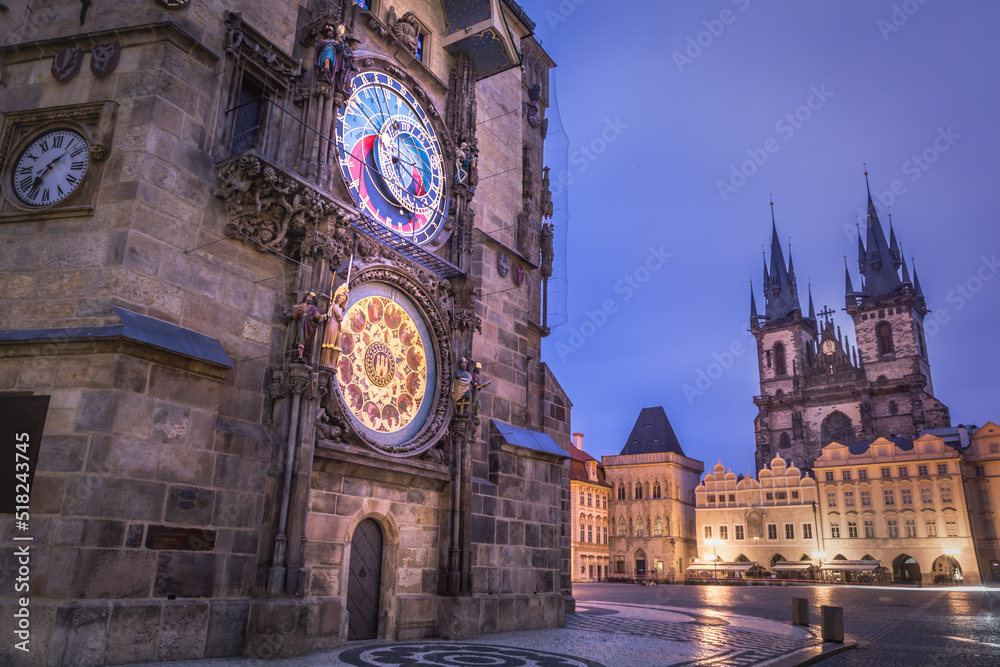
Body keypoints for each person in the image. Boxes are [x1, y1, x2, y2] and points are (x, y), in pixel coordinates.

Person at [292, 291, 327, 362]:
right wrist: (298, 311)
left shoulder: (313, 308)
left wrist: (322, 316)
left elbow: (316, 315)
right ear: (306, 297)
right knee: (300, 338)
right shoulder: (301, 306)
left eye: (312, 298)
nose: (310, 299)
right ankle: (300, 354)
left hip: (308, 326)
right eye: (309, 297)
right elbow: (294, 316)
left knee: (307, 340)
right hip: (301, 324)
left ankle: (304, 355)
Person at [320, 285, 349, 370]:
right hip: (332, 325)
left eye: (342, 300)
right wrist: (344, 319)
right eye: (340, 299)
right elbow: (340, 316)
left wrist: (347, 296)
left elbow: (344, 307)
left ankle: (332, 363)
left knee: (336, 345)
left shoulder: (339, 307)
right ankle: (325, 362)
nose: (341, 301)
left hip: (337, 326)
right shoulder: (334, 306)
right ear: (337, 298)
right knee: (330, 343)